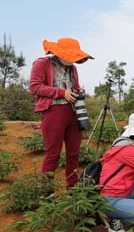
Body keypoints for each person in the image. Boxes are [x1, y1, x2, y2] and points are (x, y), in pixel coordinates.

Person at [29, 37, 93, 188]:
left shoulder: (73, 68)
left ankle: (72, 188)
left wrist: (78, 92)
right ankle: (46, 191)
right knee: (53, 154)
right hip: (54, 112)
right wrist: (60, 92)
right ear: (59, 53)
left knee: (74, 154)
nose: (73, 60)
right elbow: (34, 87)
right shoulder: (42, 63)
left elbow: (74, 86)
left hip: (73, 113)